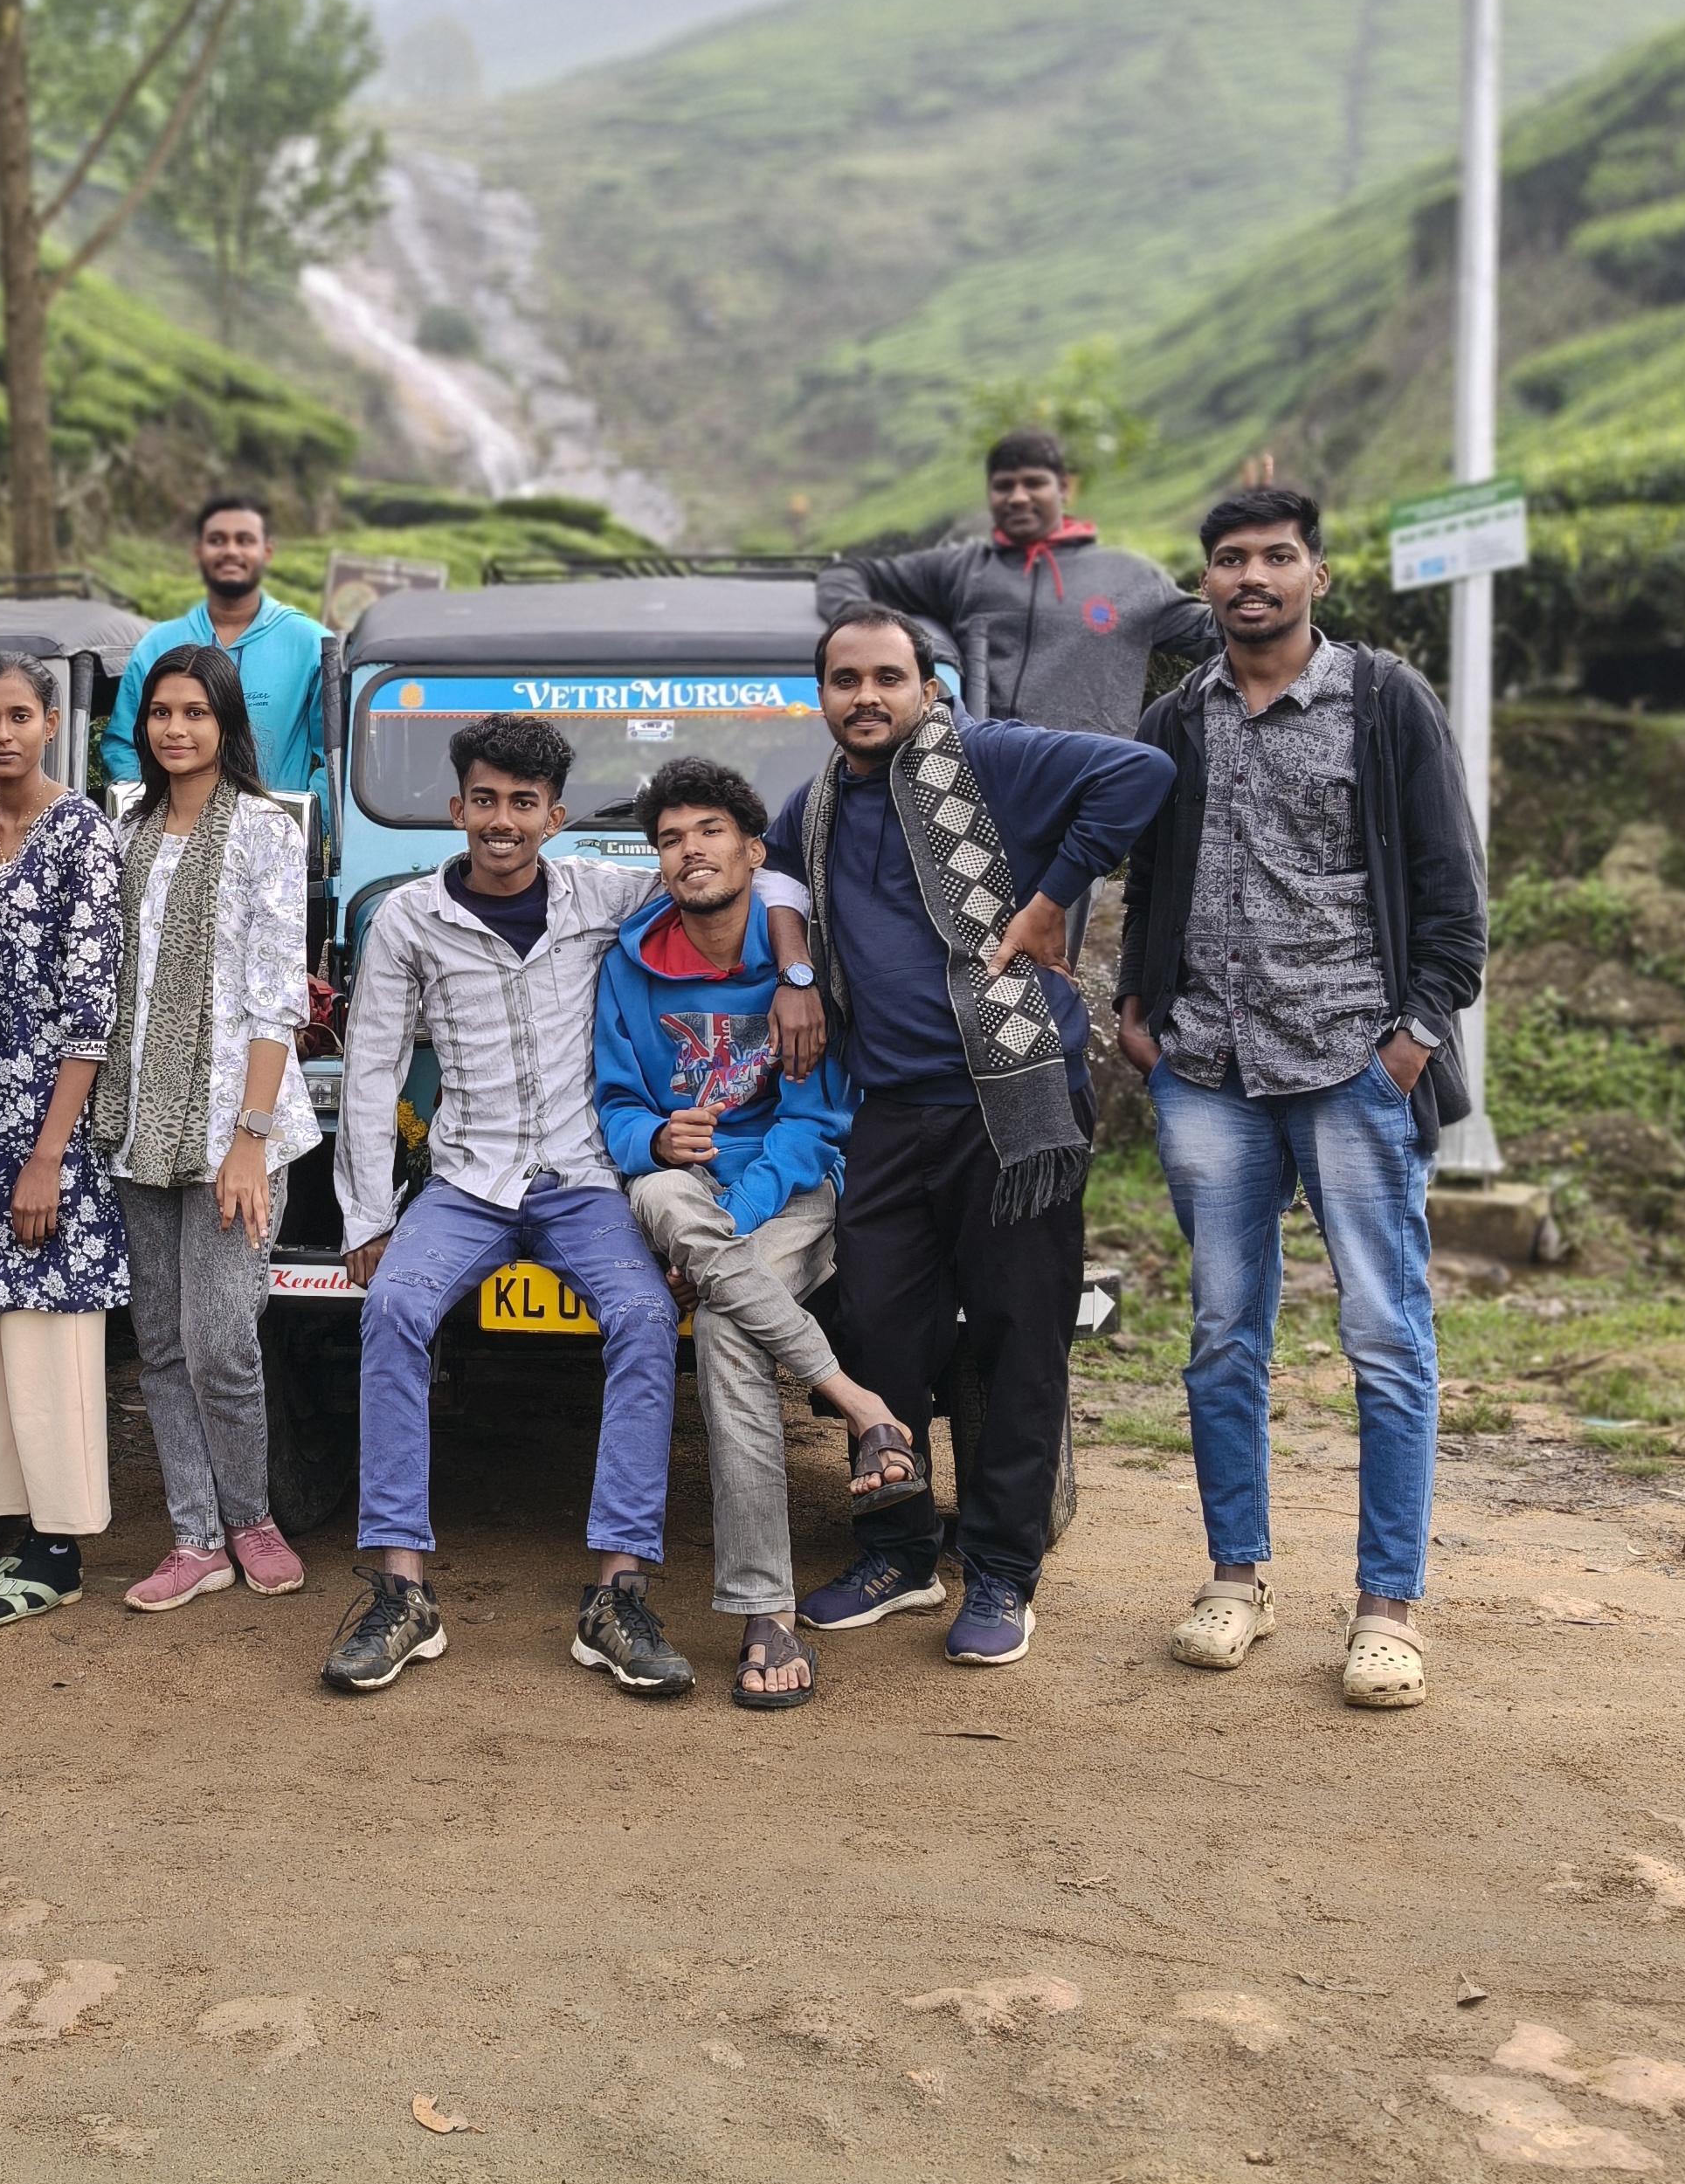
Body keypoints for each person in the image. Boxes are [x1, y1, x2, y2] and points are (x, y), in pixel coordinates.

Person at [323, 715, 816, 1699]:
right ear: (456, 807)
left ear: (554, 816)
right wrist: (366, 1217)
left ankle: (617, 1595)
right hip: (465, 1181)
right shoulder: (409, 920)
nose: (501, 823)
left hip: (584, 1178)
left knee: (641, 1318)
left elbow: (751, 879)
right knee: (393, 1313)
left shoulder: (605, 892)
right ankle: (399, 1592)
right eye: (484, 801)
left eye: (523, 805)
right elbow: (373, 1069)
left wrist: (797, 970)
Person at [1115, 486, 1486, 1712]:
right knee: (1225, 1331)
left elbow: (1451, 894)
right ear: (1205, 585)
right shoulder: (1177, 720)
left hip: (1351, 1067)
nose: (1252, 576)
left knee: (1385, 1335)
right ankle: (1237, 1579)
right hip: (1208, 1069)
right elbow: (1152, 871)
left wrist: (1413, 1037)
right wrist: (1139, 1009)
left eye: (1277, 556)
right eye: (1230, 560)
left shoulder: (1383, 704)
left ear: (1318, 576)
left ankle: (1388, 1609)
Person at [766, 610, 1173, 1667]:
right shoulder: (812, 808)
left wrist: (1051, 899)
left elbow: (1138, 773)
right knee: (881, 1334)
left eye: (887, 678)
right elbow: (767, 874)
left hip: (1010, 1105)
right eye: (844, 679)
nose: (866, 696)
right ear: (820, 692)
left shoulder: (984, 758)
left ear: (925, 685)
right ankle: (897, 1553)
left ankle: (999, 1570)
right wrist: (798, 976)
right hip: (890, 1113)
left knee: (1015, 1339)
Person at [591, 756, 921, 1712]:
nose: (688, 850)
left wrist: (723, 1230)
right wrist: (654, 1134)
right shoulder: (629, 964)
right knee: (658, 1192)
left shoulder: (796, 972)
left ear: (751, 849)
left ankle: (762, 1610)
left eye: (707, 831)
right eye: (668, 839)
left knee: (729, 1324)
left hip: (779, 1201)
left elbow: (814, 1121)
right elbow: (614, 1104)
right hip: (675, 1189)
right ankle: (863, 1409)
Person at [100, 644, 318, 1615]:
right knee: (157, 1341)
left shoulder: (265, 832)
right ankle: (194, 1537)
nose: (175, 729)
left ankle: (252, 1517)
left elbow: (278, 999)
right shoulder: (127, 828)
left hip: (236, 1123)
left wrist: (250, 1138)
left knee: (222, 1338)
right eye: (160, 712)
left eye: (195, 712)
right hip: (137, 1118)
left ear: (226, 724)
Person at [0, 653, 128, 1630]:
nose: (2, 732)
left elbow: (93, 1009)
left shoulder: (81, 833)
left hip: (48, 1118)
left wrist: (50, 1151)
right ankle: (14, 1533)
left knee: (50, 1329)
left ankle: (60, 1545)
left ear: (52, 723)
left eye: (19, 715)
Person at [812, 429, 1212, 739]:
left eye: (1033, 483)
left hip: (1091, 785)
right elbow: (847, 575)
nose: (1018, 497)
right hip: (989, 783)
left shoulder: (1132, 576)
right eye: (1004, 486)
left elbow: (1217, 634)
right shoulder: (962, 568)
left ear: (1064, 489)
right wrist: (878, 639)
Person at [98, 493, 330, 796]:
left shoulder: (310, 643)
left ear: (267, 552)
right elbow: (123, 743)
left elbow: (338, 755)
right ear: (198, 552)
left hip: (274, 835)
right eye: (217, 540)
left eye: (244, 540)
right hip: (172, 834)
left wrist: (304, 825)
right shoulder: (157, 644)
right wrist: (145, 812)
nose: (231, 551)